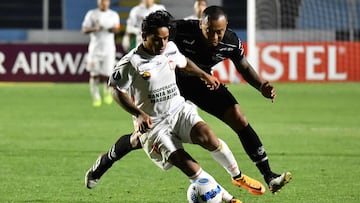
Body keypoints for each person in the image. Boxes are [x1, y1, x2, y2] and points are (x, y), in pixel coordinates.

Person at [85, 5, 292, 195]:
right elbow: (157, 36)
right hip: (167, 84)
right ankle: (107, 160)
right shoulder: (178, 30)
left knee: (237, 117)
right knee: (143, 137)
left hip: (199, 83)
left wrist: (261, 85)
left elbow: (243, 67)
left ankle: (268, 175)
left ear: (226, 27)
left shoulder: (230, 41)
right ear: (201, 24)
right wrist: (138, 111)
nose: (215, 36)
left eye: (220, 31)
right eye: (210, 30)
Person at [82, 0, 121, 107]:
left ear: (108, 2)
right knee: (94, 75)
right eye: (101, 1)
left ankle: (107, 92)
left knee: (108, 75)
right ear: (98, 2)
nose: (103, 3)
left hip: (109, 50)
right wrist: (95, 28)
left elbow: (118, 29)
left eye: (105, 1)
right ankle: (96, 97)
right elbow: (84, 29)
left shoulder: (113, 15)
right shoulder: (92, 14)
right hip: (95, 50)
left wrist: (113, 29)